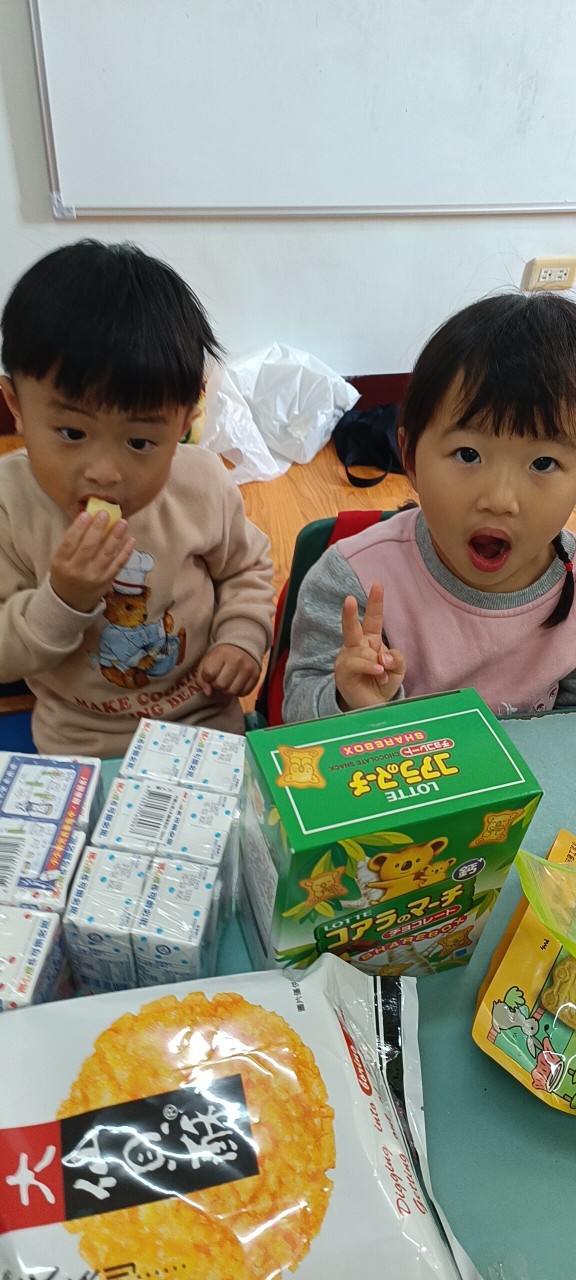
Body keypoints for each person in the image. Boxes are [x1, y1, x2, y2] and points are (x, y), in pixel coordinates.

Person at [0, 240, 275, 756]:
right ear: (15, 405)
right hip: (78, 739)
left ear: (187, 417)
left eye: (141, 442)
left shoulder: (202, 482)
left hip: (203, 724)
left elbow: (246, 569)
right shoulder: (9, 505)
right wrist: (63, 600)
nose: (105, 473)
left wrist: (241, 638)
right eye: (72, 433)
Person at [283, 292, 576, 723]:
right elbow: (296, 717)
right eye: (468, 455)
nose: (499, 500)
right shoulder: (354, 581)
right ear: (409, 458)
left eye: (543, 463)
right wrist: (349, 702)